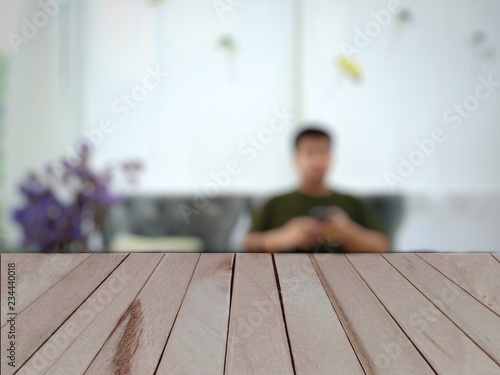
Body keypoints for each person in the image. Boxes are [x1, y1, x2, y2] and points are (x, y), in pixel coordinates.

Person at [244, 127, 389, 253]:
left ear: (331, 158)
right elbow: (248, 244)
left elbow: (382, 245)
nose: (317, 161)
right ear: (296, 159)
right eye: (310, 153)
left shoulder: (352, 202)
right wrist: (283, 237)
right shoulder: (275, 203)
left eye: (323, 152)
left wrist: (347, 233)